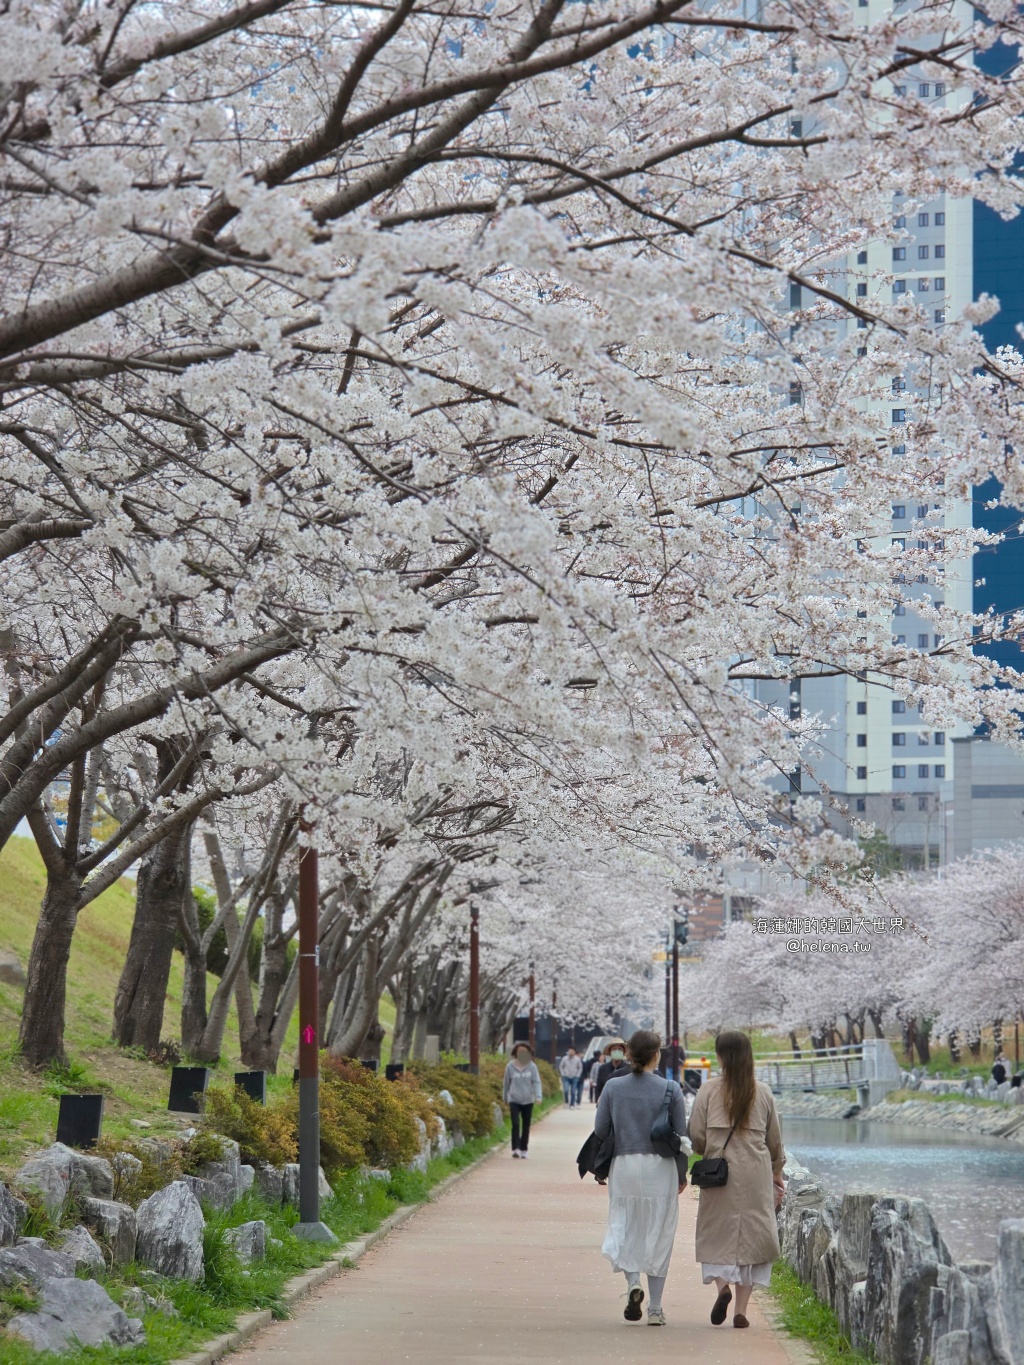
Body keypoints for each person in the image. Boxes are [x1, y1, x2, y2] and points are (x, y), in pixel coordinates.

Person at [688, 1029, 786, 1330]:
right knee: (753, 1236)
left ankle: (722, 1289)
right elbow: (775, 1141)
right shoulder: (763, 1092)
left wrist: (708, 1149)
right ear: (749, 1055)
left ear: (719, 1056)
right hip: (755, 1172)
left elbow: (696, 1133)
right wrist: (777, 1171)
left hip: (720, 1172)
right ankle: (741, 1311)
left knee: (716, 1232)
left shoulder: (708, 1090)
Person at [594, 1029, 689, 1327]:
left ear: (628, 1054)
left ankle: (633, 1282)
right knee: (659, 1232)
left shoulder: (613, 1086)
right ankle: (656, 1309)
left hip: (623, 1165)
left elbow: (600, 1130)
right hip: (659, 1168)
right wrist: (682, 1173)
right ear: (657, 1055)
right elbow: (680, 1137)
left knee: (627, 1225)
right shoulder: (671, 1089)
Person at [503, 1041, 543, 1158]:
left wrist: (538, 1096)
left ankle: (524, 1148)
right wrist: (505, 1097)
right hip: (514, 1100)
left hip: (528, 1100)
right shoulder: (510, 1066)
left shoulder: (532, 1066)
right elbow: (506, 1083)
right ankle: (516, 1148)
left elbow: (536, 1082)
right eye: (520, 1051)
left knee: (526, 1125)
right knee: (515, 1124)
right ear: (516, 1053)